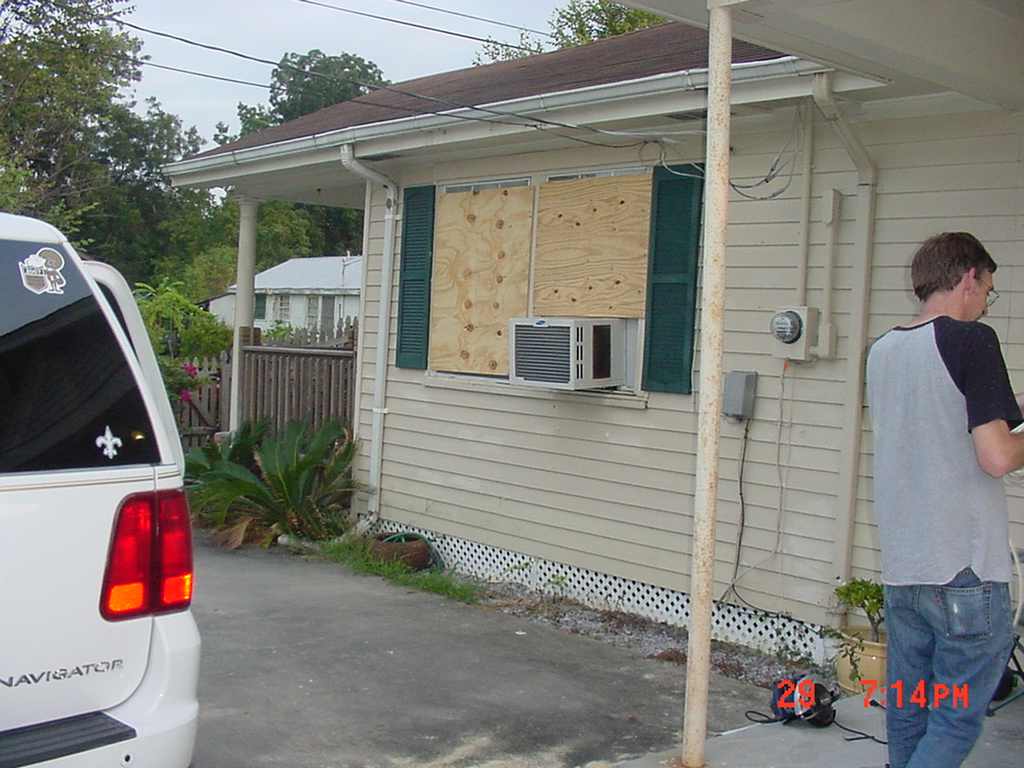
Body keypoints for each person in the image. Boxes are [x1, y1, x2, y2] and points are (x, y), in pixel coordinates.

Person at [865, 232, 1024, 768]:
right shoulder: (972, 340)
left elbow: (942, 421)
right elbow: (997, 456)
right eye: (989, 290)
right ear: (968, 278)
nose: (985, 302)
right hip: (965, 573)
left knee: (910, 707)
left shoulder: (883, 351)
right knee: (954, 717)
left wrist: (1009, 405)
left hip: (906, 573)